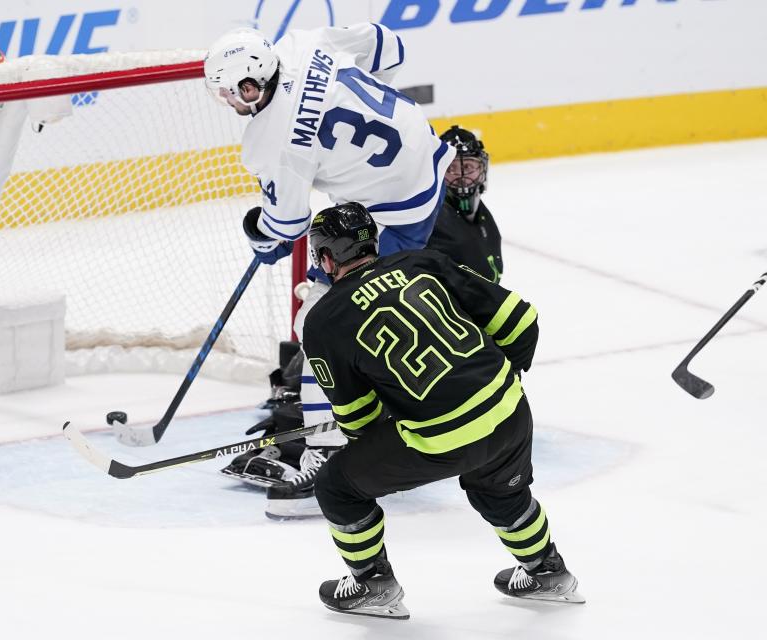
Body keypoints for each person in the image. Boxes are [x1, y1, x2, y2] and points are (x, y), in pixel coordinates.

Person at [204, 23, 456, 518]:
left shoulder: (269, 141)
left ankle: (326, 452)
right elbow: (390, 46)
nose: (229, 103)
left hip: (396, 215)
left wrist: (259, 232)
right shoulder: (304, 42)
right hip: (428, 160)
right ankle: (370, 416)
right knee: (354, 309)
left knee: (322, 321)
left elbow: (286, 224)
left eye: (231, 93)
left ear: (250, 87)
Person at [300, 202, 584, 619]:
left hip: (443, 437)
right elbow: (521, 321)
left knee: (336, 486)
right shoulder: (423, 261)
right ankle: (547, 572)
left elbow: (359, 421)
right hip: (510, 408)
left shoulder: (322, 320)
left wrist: (397, 419)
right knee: (498, 488)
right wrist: (494, 381)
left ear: (325, 257)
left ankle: (372, 584)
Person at [427, 125, 504, 282]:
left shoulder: (480, 214)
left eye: (468, 167)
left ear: (482, 169)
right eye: (451, 168)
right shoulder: (430, 222)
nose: (461, 177)